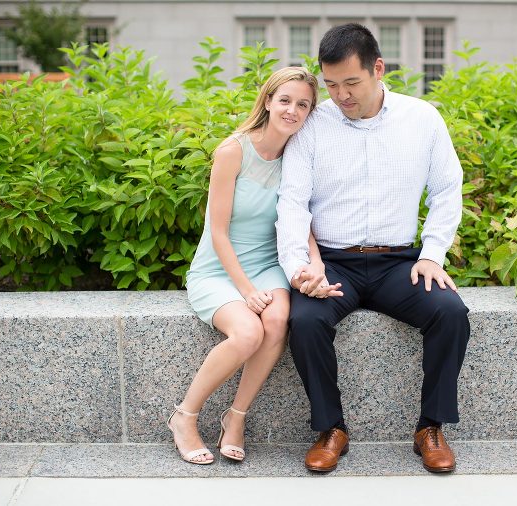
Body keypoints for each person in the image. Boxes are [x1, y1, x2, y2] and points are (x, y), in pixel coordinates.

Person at [276, 24, 470, 474]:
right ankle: (331, 430)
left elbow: (447, 189)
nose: (340, 95)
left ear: (378, 69)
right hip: (334, 262)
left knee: (450, 313)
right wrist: (300, 268)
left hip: (398, 263)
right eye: (330, 85)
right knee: (304, 320)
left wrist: (432, 254)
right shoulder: (314, 125)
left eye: (351, 83)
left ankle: (431, 427)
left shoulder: (422, 119)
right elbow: (292, 202)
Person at [168, 67, 332, 465]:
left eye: (303, 104)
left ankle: (235, 416)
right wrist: (245, 291)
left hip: (267, 263)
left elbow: (298, 217)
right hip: (219, 269)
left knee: (277, 322)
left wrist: (316, 261)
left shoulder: (298, 155)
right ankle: (184, 417)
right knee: (246, 333)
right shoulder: (232, 151)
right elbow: (218, 232)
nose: (292, 110)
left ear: (310, 113)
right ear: (268, 101)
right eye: (285, 100)